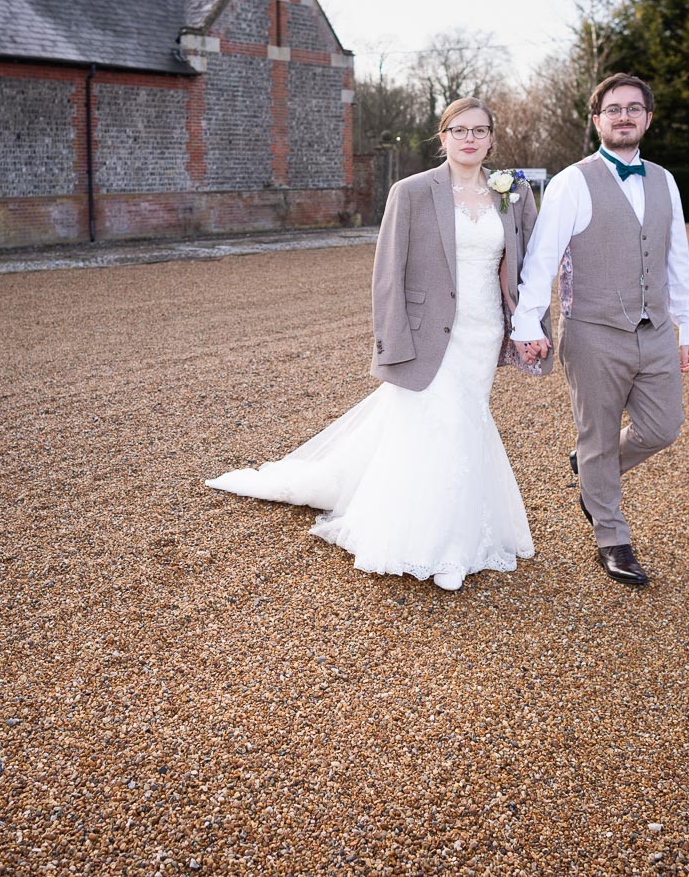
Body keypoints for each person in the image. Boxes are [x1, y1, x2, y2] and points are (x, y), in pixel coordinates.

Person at [207, 98, 544, 591]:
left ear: (492, 139)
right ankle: (444, 549)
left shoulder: (512, 193)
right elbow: (388, 273)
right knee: (445, 425)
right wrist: (392, 345)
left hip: (484, 330)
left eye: (479, 130)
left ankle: (460, 531)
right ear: (442, 136)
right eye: (458, 130)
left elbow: (530, 268)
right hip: (428, 332)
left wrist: (530, 326)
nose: (469, 139)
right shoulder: (410, 192)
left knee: (464, 424)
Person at [511, 73, 689, 587]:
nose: (623, 117)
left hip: (657, 329)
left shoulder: (665, 180)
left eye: (633, 109)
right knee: (596, 436)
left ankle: (591, 466)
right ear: (596, 120)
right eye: (612, 109)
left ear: (648, 118)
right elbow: (543, 257)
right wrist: (527, 322)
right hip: (594, 331)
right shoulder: (574, 180)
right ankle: (611, 538)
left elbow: (676, 259)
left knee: (663, 428)